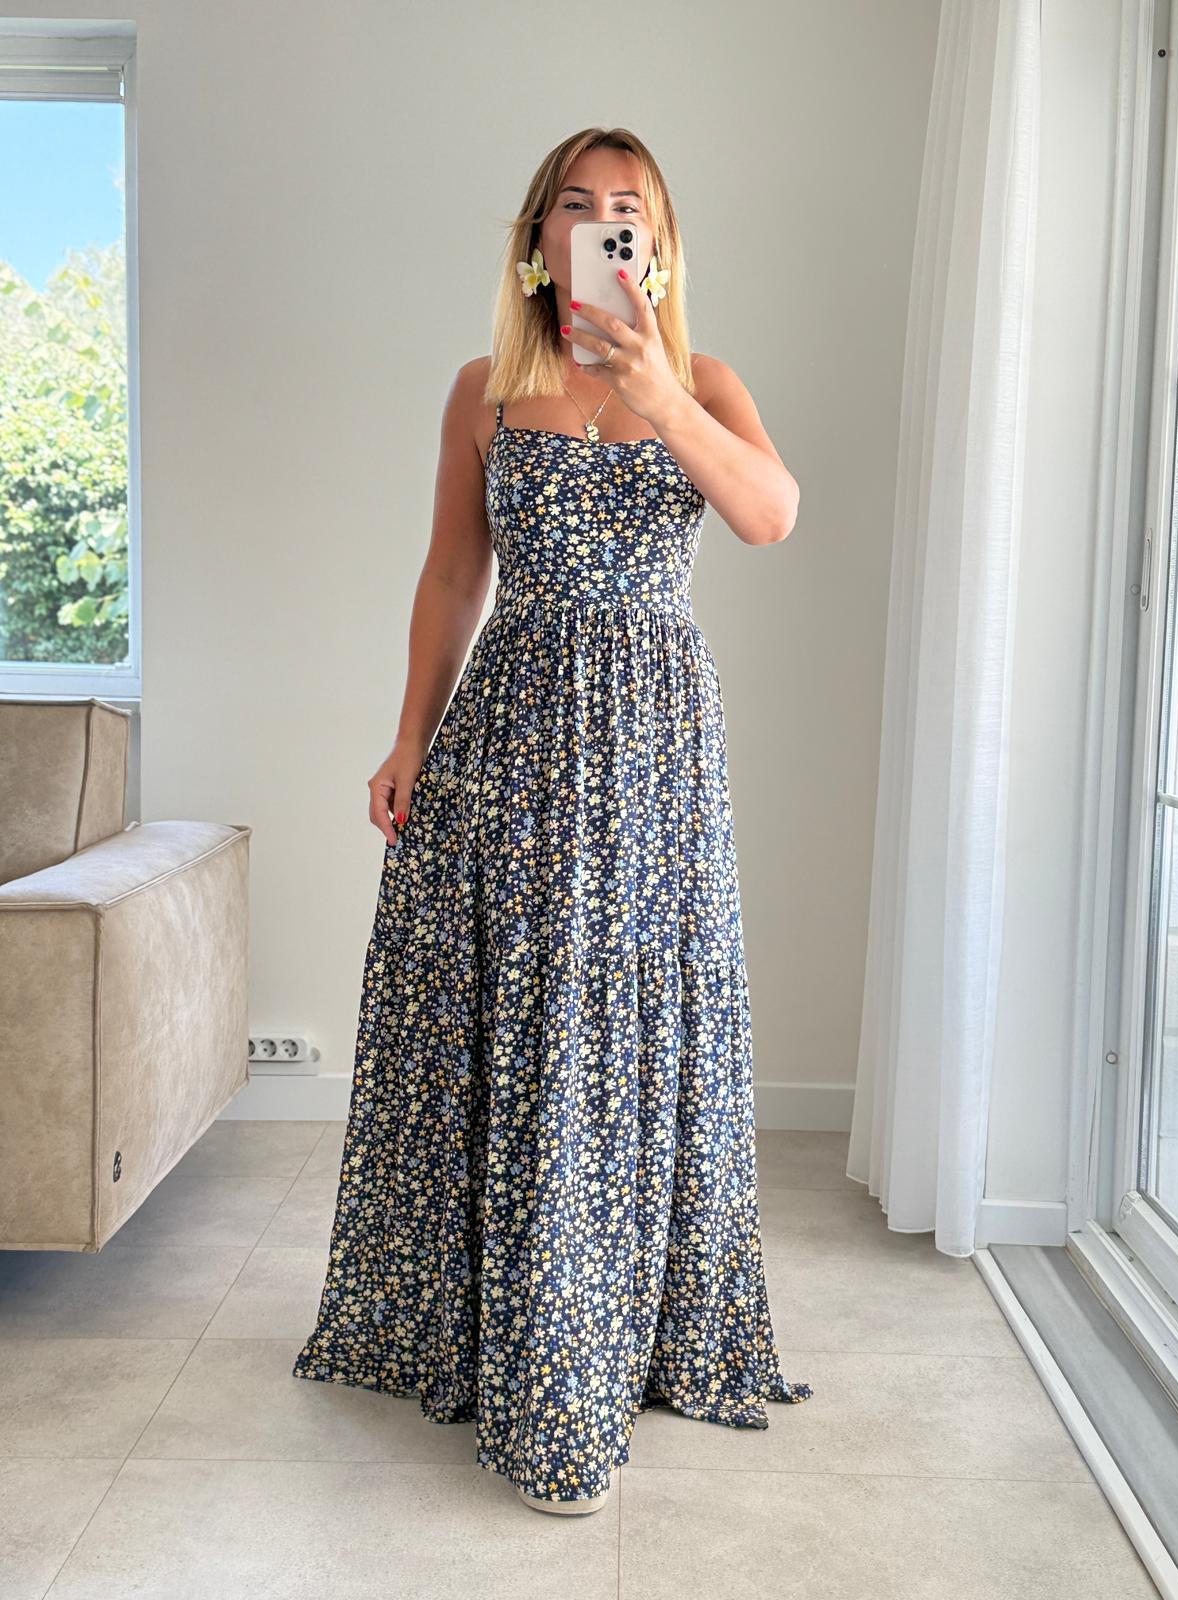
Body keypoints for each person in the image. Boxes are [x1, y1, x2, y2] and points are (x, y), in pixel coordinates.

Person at [292, 126, 813, 1517]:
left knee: (622, 1021)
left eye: (628, 209)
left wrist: (659, 391)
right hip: (511, 739)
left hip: (652, 751)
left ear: (661, 245)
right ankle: (521, 1336)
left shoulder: (704, 383)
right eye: (574, 207)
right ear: (537, 243)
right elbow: (451, 574)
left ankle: (600, 1338)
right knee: (519, 1018)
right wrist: (409, 734)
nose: (600, 224)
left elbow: (771, 515)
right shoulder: (483, 390)